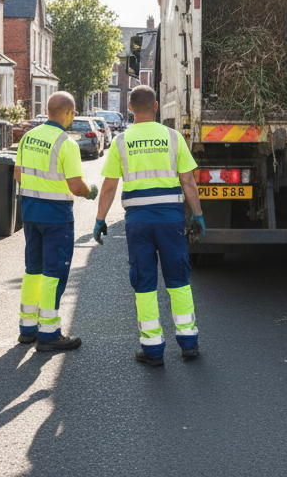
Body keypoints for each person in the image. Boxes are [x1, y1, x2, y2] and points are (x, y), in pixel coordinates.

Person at [94, 85, 205, 367]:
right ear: (156, 107)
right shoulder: (173, 137)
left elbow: (108, 186)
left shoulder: (121, 141)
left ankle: (153, 349)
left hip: (138, 223)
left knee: (144, 282)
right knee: (178, 280)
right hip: (170, 221)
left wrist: (100, 220)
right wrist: (198, 214)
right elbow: (188, 181)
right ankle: (188, 342)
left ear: (130, 109)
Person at [14, 91, 99, 352]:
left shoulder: (28, 137)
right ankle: (49, 333)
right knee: (54, 272)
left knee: (33, 269)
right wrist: (91, 191)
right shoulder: (66, 144)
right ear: (70, 114)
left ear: (48, 111)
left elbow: (18, 174)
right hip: (56, 218)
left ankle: (27, 329)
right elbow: (75, 186)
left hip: (30, 213)